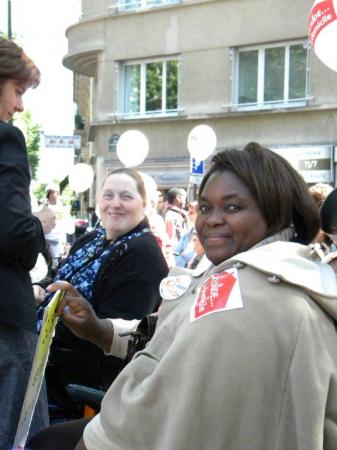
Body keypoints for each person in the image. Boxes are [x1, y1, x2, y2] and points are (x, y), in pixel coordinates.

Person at [28, 142, 337, 450]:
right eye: (204, 207)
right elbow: (173, 334)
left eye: (233, 207)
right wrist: (100, 328)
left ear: (275, 212)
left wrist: (93, 442)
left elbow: (155, 408)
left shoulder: (246, 294)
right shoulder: (265, 275)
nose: (212, 219)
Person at [37, 167, 169, 417]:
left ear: (144, 204)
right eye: (108, 195)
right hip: (43, 364)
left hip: (72, 384)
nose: (115, 204)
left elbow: (112, 337)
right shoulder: (92, 238)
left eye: (126, 196)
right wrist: (39, 289)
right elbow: (57, 278)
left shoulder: (143, 255)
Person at [0, 37, 49, 449]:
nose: (19, 106)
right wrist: (39, 223)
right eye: (17, 90)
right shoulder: (6, 139)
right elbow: (15, 235)